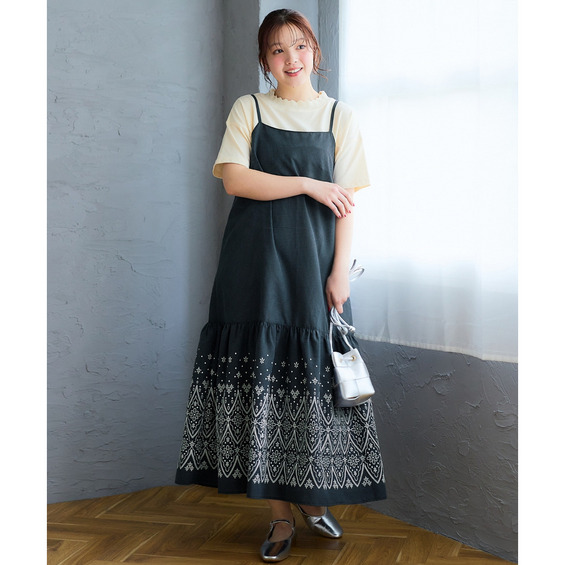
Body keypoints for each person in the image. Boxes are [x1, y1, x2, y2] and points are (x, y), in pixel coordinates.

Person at [175, 8, 386, 562]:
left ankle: (312, 497)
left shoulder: (340, 116)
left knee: (313, 383)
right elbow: (235, 180)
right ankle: (279, 516)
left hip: (313, 265)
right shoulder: (249, 108)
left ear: (315, 51)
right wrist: (308, 184)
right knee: (261, 380)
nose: (291, 58)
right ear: (265, 61)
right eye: (277, 49)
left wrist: (339, 271)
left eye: (299, 46)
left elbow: (347, 204)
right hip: (253, 265)